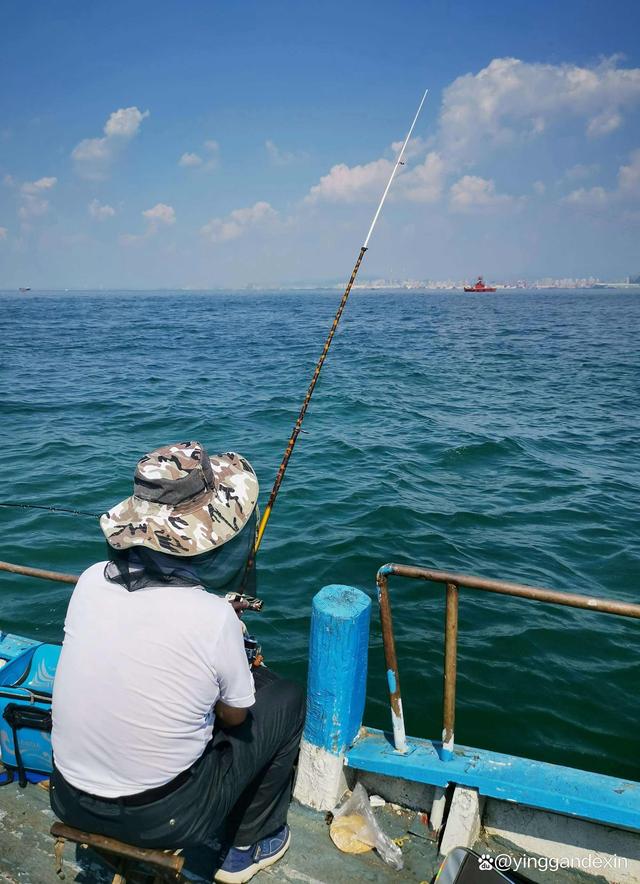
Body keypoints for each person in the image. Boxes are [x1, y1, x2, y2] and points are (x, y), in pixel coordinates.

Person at [50, 441, 305, 884]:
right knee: (287, 699)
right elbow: (235, 715)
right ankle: (248, 847)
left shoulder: (90, 581)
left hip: (68, 798)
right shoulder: (214, 618)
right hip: (166, 819)